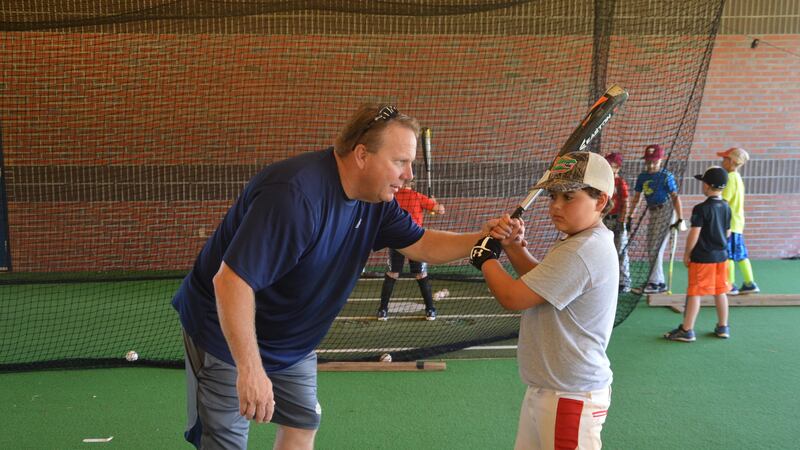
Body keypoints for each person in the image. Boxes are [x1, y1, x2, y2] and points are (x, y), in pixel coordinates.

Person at [171, 104, 501, 450]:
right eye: (400, 161)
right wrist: (250, 370)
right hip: (225, 333)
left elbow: (421, 243)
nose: (409, 175)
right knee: (226, 443)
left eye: (411, 163)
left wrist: (483, 239)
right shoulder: (295, 197)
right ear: (362, 155)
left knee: (301, 425)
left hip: (292, 342)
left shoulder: (376, 200)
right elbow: (231, 281)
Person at [470, 151, 618, 450]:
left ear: (600, 201)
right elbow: (545, 285)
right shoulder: (578, 241)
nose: (556, 207)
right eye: (553, 197)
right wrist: (512, 247)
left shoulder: (584, 249)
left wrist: (485, 259)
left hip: (570, 396)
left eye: (569, 197)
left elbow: (514, 297)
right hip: (551, 389)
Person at [664, 166, 731, 342]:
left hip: (703, 258)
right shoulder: (726, 207)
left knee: (695, 292)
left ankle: (687, 329)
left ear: (707, 186)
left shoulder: (701, 208)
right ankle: (723, 326)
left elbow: (695, 233)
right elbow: (728, 232)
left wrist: (687, 253)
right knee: (720, 291)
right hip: (722, 256)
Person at [377, 181, 445, 321]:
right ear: (412, 183)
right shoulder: (418, 196)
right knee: (421, 274)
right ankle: (430, 310)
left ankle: (382, 310)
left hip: (395, 239)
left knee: (392, 274)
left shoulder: (392, 196)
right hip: (415, 240)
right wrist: (434, 202)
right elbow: (440, 210)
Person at [626, 144, 685, 294]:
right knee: (651, 247)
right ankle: (658, 282)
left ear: (661, 160)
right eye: (648, 161)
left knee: (655, 247)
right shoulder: (643, 176)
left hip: (665, 211)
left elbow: (675, 197)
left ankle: (656, 283)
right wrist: (630, 216)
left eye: (654, 161)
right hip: (653, 212)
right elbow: (637, 198)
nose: (651, 165)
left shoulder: (666, 176)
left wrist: (680, 218)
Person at [718, 147, 759, 295]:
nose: (722, 161)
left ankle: (730, 285)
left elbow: (724, 200)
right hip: (737, 222)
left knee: (728, 254)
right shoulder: (737, 177)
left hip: (730, 223)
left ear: (732, 161)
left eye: (724, 159)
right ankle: (749, 283)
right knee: (740, 253)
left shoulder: (730, 178)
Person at [603, 152, 631, 292]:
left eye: (611, 166)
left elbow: (626, 202)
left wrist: (623, 220)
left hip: (617, 220)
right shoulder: (603, 183)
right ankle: (609, 280)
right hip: (605, 220)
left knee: (621, 250)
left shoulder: (620, 183)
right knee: (607, 251)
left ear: (617, 168)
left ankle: (624, 281)